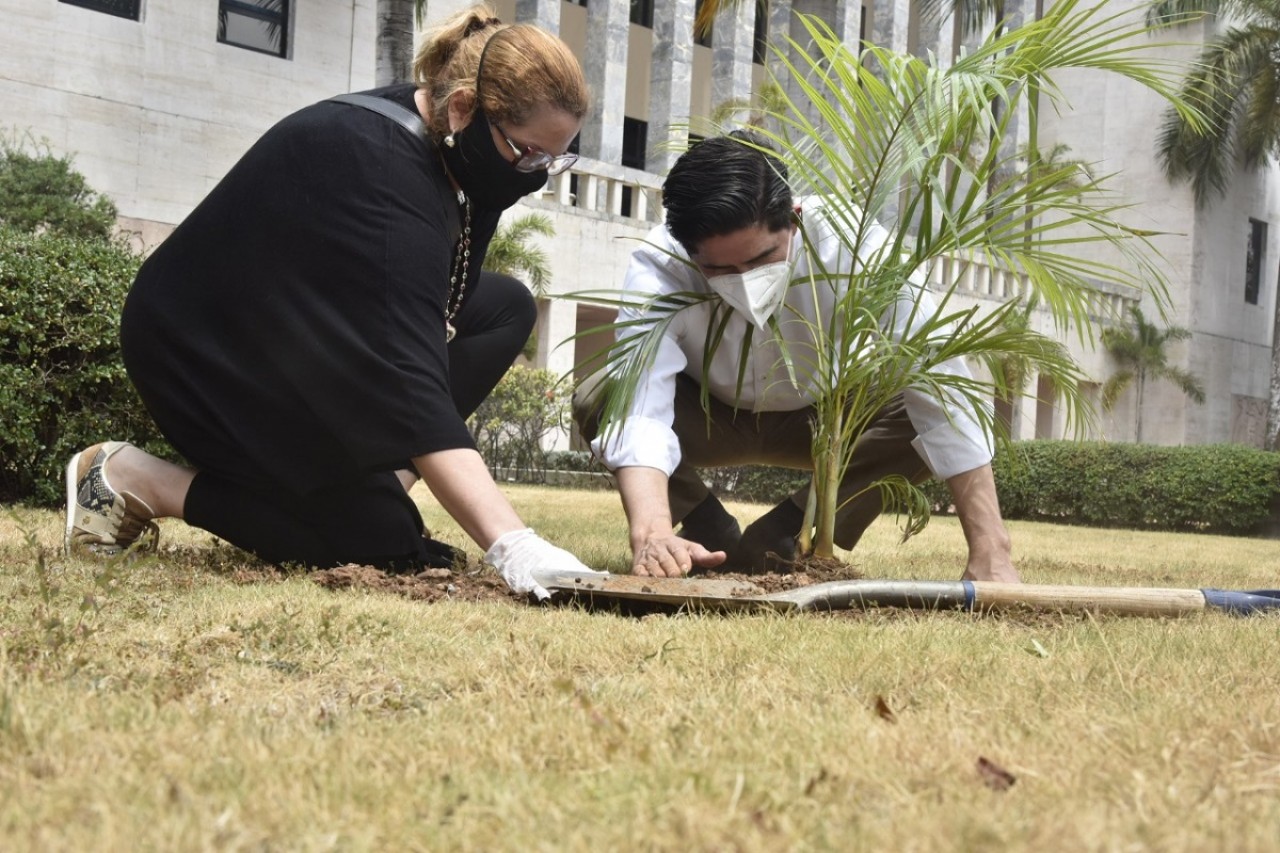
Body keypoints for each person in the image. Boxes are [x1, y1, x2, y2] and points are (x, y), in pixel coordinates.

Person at [64, 4, 599, 599]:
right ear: (463, 109)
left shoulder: (468, 154)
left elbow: (447, 306)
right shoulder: (385, 172)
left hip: (302, 326)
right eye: (529, 154)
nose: (537, 175)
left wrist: (383, 474)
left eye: (554, 159)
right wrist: (513, 544)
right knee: (375, 542)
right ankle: (134, 478)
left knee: (506, 308)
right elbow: (411, 374)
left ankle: (373, 490)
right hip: (206, 347)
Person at [573, 133, 1020, 584]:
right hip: (707, 416)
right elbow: (640, 408)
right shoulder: (660, 263)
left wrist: (991, 548)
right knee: (603, 396)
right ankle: (707, 526)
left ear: (794, 218)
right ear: (686, 249)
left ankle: (786, 531)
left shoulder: (854, 243)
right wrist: (652, 533)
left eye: (763, 258)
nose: (744, 282)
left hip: (827, 423)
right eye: (719, 270)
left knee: (920, 410)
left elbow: (938, 376)